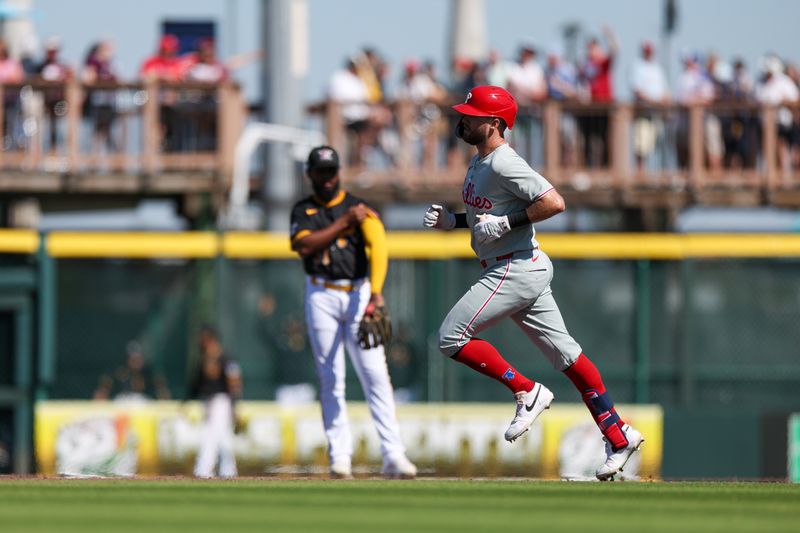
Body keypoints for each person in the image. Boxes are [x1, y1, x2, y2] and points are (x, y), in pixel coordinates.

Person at [423, 85, 644, 481]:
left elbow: (554, 202)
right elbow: (486, 218)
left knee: (451, 337)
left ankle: (527, 390)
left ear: (494, 124)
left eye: (472, 114)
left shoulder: (504, 162)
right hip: (520, 264)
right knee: (569, 358)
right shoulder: (479, 162)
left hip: (513, 267)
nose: (463, 118)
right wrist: (453, 222)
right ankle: (618, 432)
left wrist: (507, 223)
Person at [290, 146, 416, 480]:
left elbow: (380, 248)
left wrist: (376, 292)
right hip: (321, 292)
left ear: (339, 172)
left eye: (332, 172)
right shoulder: (305, 210)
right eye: (321, 172)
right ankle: (340, 455)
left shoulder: (359, 208)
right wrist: (345, 223)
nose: (328, 178)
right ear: (311, 174)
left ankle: (393, 455)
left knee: (376, 374)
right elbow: (304, 245)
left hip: (359, 292)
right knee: (331, 376)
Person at [188, 325, 241, 479]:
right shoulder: (203, 359)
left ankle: (206, 470)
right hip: (208, 401)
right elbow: (195, 385)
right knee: (220, 436)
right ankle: (227, 471)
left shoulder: (225, 358)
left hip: (221, 401)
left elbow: (234, 383)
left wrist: (234, 406)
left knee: (212, 435)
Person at [629, 41, 670, 173]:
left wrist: (664, 103)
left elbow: (664, 91)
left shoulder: (657, 68)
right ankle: (641, 175)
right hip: (643, 113)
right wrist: (655, 101)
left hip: (658, 114)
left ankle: (661, 175)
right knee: (641, 147)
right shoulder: (637, 67)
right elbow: (637, 91)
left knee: (660, 146)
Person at [93, 341, 170, 402]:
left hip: (143, 402)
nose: (136, 362)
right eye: (133, 359)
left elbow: (162, 390)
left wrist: (164, 399)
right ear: (128, 359)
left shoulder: (148, 371)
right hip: (122, 401)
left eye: (138, 358)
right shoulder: (118, 370)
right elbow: (103, 387)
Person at [82, 40, 118, 152]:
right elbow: (88, 78)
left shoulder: (108, 65)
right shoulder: (93, 62)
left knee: (106, 130)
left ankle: (108, 155)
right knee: (96, 131)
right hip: (96, 102)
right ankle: (93, 156)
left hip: (108, 102)